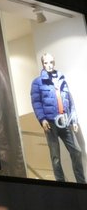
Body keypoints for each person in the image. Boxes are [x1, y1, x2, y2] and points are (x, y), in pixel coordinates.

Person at [30, 52, 85, 183]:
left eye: (51, 62)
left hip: (65, 121)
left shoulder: (61, 79)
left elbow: (69, 101)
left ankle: (81, 183)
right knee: (55, 157)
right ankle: (61, 184)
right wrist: (42, 119)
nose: (49, 65)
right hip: (50, 123)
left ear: (54, 62)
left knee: (76, 151)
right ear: (43, 64)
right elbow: (36, 102)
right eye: (46, 63)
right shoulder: (37, 82)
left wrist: (74, 120)